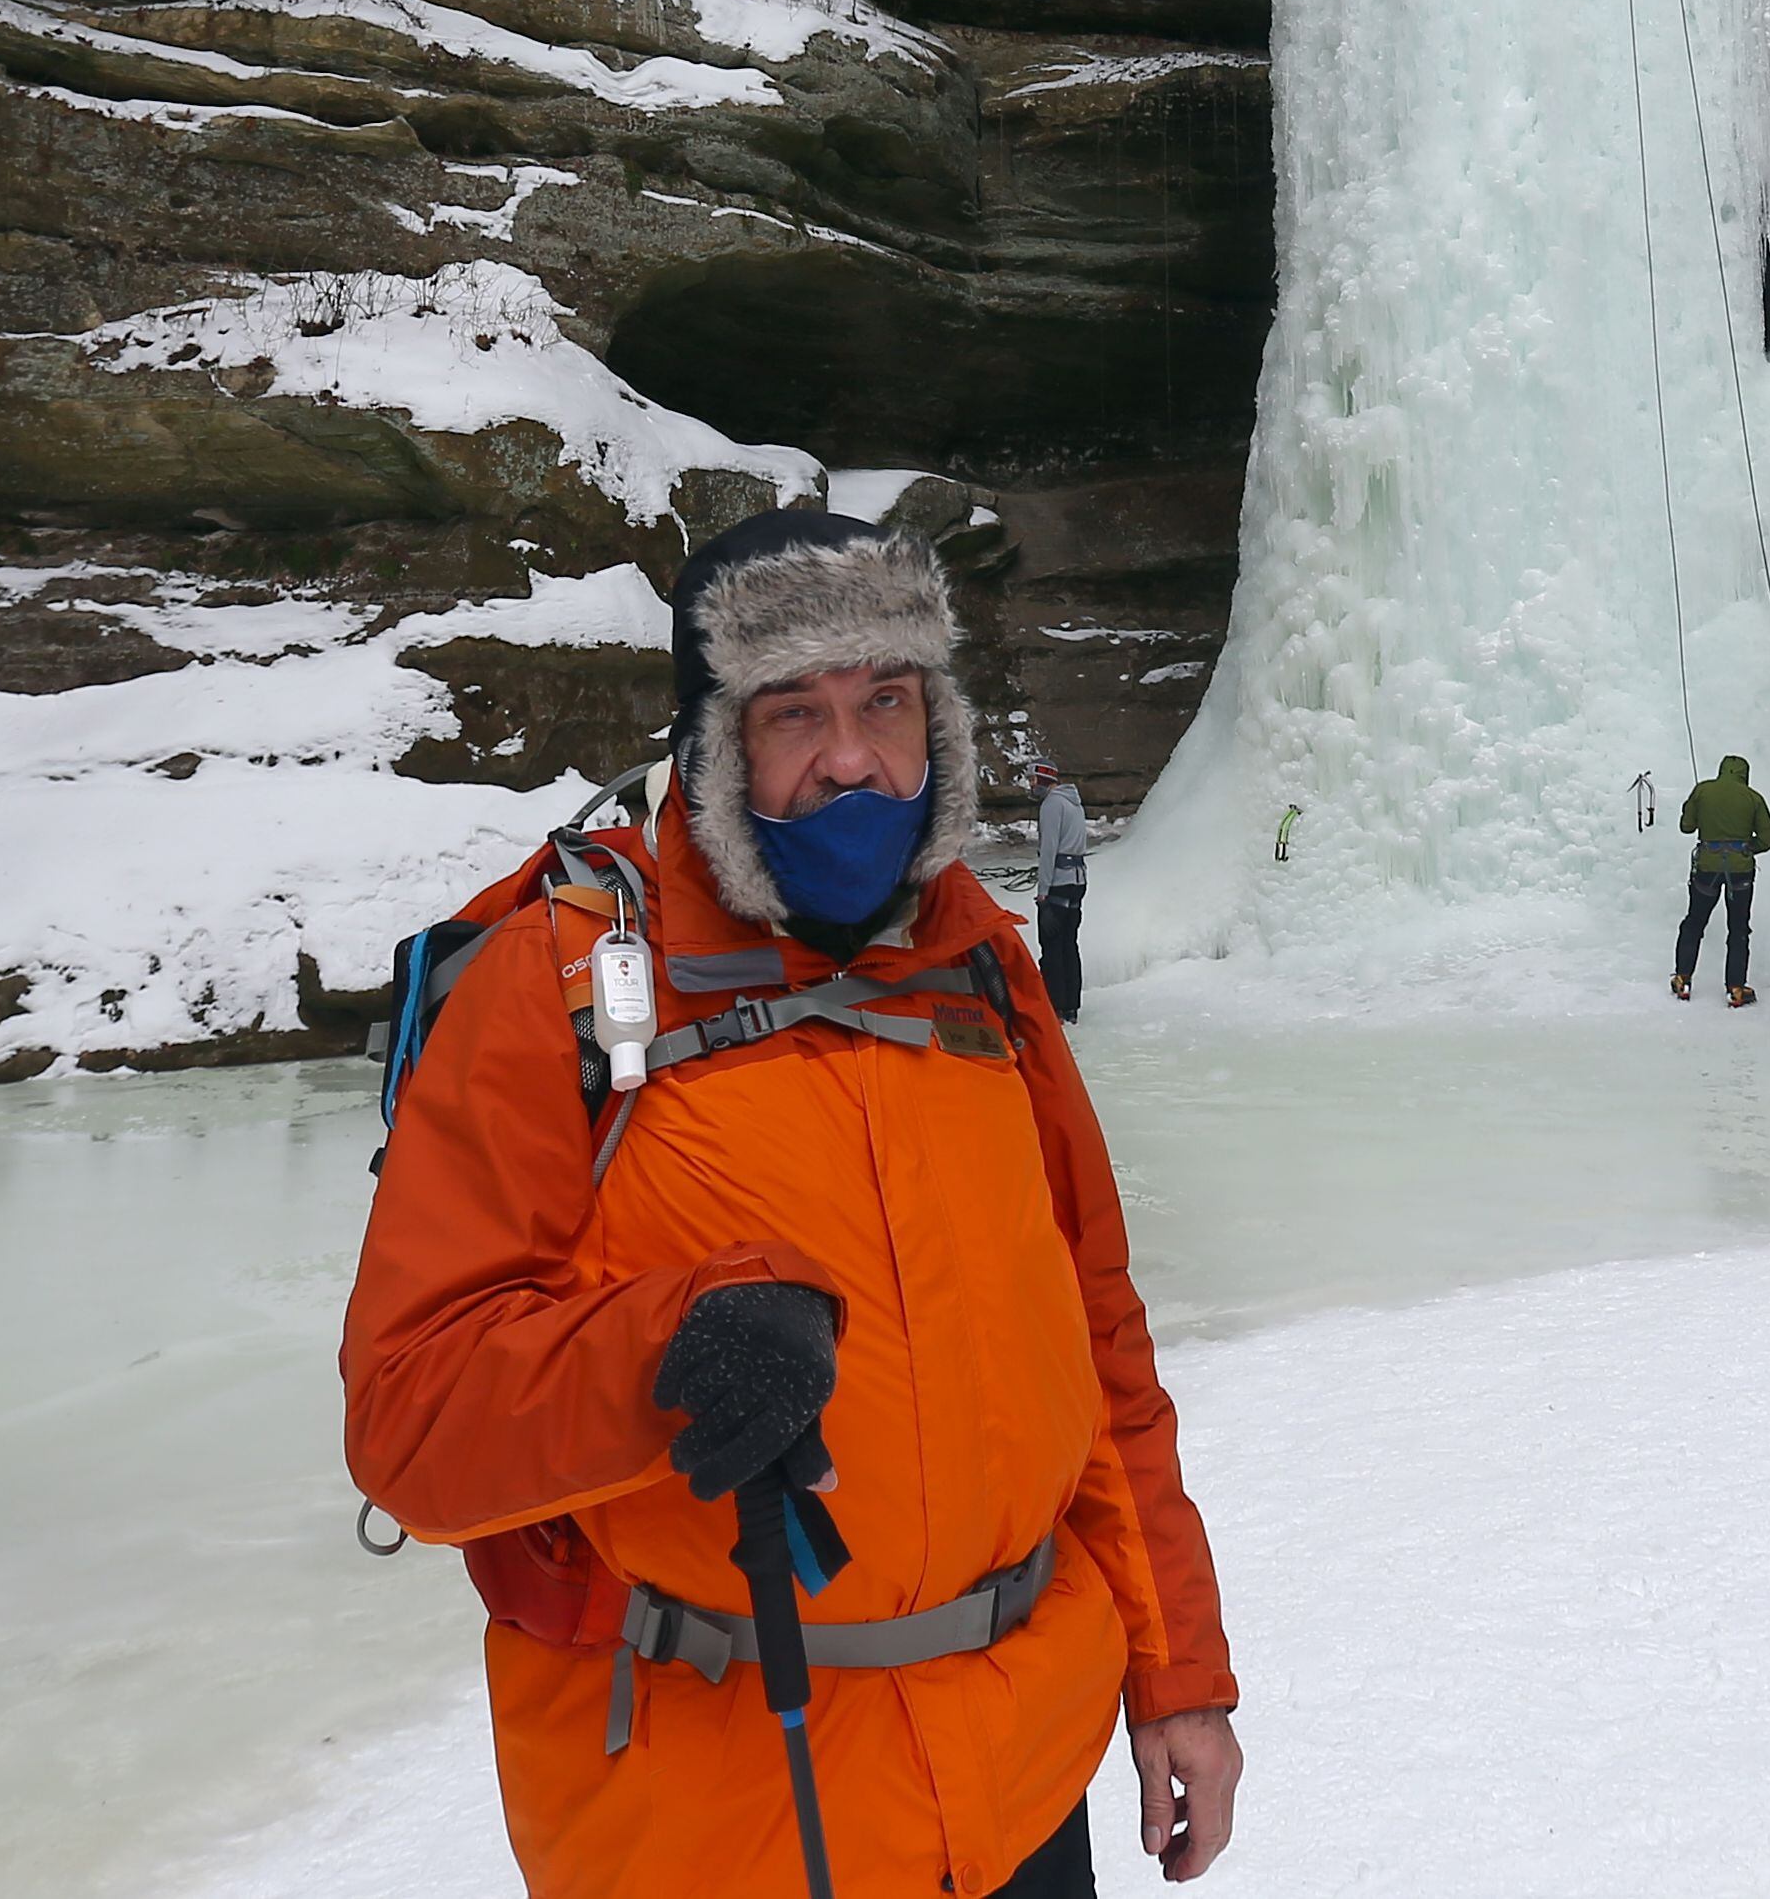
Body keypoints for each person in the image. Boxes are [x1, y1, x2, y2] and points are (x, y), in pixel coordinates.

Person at [344, 507, 1240, 1898]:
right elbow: (410, 1416)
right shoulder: (557, 984)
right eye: (794, 711)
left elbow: (1097, 1347)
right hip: (723, 1825)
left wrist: (1176, 1671)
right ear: (714, 746)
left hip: (1017, 1786)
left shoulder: (984, 973)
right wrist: (663, 1360)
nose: (849, 757)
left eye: (886, 701)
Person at [1672, 750, 1770, 1003]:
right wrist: (1747, 848)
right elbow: (1766, 839)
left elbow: (1686, 826)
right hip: (1740, 871)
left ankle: (1683, 978)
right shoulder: (1754, 798)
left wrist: (1691, 807)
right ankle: (1736, 988)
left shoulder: (1703, 790)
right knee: (1738, 928)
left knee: (1695, 921)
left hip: (1706, 867)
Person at [1031, 759, 1090, 1024]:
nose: (1030, 785)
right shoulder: (1074, 803)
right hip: (1078, 882)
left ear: (1043, 779)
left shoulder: (1052, 804)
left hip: (1058, 882)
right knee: (1069, 943)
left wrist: (1043, 892)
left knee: (1052, 944)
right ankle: (1071, 1007)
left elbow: (1049, 851)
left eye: (1032, 779)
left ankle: (1054, 1007)